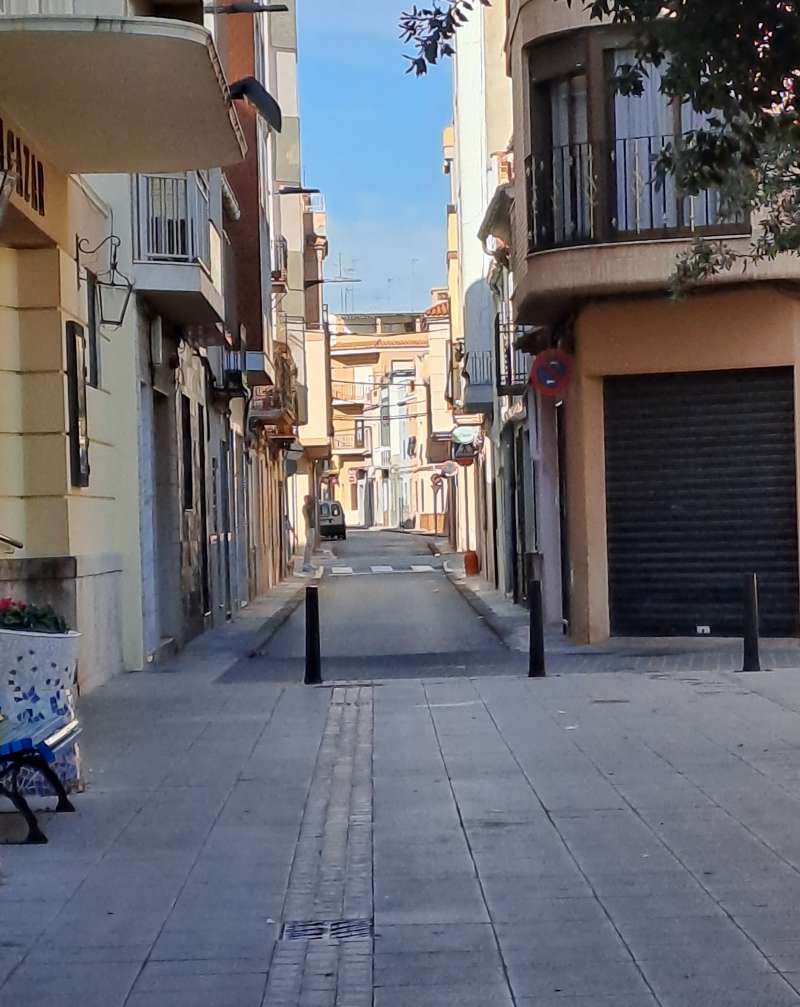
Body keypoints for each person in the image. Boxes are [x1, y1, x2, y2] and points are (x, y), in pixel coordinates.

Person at [302, 494, 315, 572]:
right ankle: (305, 564)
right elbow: (307, 519)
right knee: (308, 546)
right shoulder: (305, 507)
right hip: (308, 528)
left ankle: (308, 562)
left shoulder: (310, 507)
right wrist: (307, 530)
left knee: (310, 546)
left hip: (311, 528)